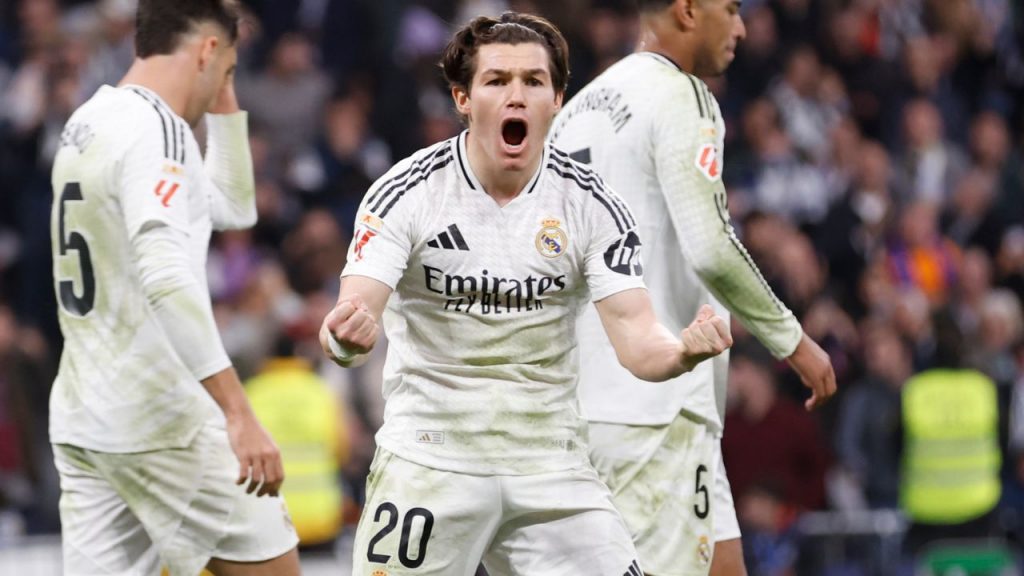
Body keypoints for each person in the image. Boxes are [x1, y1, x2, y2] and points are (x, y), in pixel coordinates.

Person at [320, 12, 733, 576]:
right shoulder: (407, 193)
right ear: (463, 98)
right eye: (497, 81)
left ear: (557, 99)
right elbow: (351, 315)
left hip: (551, 466)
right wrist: (345, 338)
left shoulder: (593, 205)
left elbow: (638, 341)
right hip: (430, 458)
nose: (516, 95)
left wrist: (682, 351)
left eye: (533, 81)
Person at [548, 1, 836, 574]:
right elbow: (710, 245)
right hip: (655, 409)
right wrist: (793, 341)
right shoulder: (682, 95)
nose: (741, 28)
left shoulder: (575, 112)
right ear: (686, 10)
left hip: (585, 404)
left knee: (725, 566)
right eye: (729, 9)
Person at [48, 1, 301, 574]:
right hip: (161, 417)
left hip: (87, 418)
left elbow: (231, 207)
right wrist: (238, 412)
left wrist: (223, 92)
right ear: (207, 50)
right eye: (227, 69)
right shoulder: (156, 128)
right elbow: (164, 276)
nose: (222, 89)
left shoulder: (89, 120)